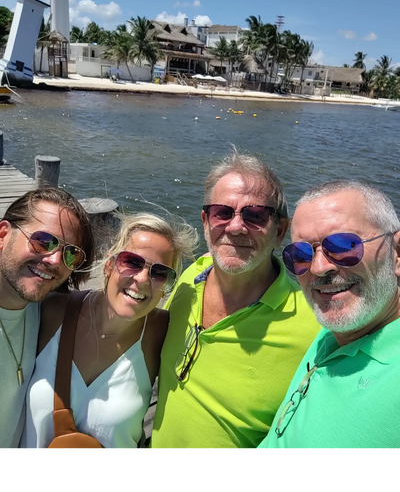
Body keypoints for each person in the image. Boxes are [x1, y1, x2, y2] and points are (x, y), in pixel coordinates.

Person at [150, 148, 321, 451]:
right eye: (222, 213)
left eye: (255, 215)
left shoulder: (312, 327)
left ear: (280, 231)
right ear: (206, 221)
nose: (235, 226)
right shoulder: (191, 278)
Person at [21, 211, 198, 451]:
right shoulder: (51, 310)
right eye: (132, 262)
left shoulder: (161, 333)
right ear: (108, 265)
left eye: (160, 273)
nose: (143, 279)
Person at [258, 179, 400, 451]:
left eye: (344, 246)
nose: (319, 267)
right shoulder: (336, 331)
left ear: (397, 253)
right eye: (300, 254)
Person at [0, 187, 94, 451]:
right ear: (3, 235)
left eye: (70, 253)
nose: (54, 260)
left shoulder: (42, 310)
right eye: (43, 241)